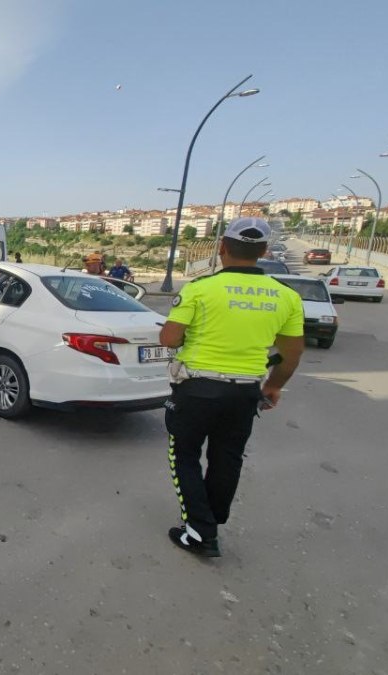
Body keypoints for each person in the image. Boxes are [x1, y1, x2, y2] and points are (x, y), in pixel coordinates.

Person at [157, 218, 304, 558]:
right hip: (244, 393)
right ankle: (211, 519)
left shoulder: (200, 289)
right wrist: (273, 387)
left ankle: (199, 532)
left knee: (184, 456)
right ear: (264, 252)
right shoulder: (287, 297)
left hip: (196, 389)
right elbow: (291, 355)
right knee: (227, 458)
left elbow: (169, 338)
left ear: (222, 247)